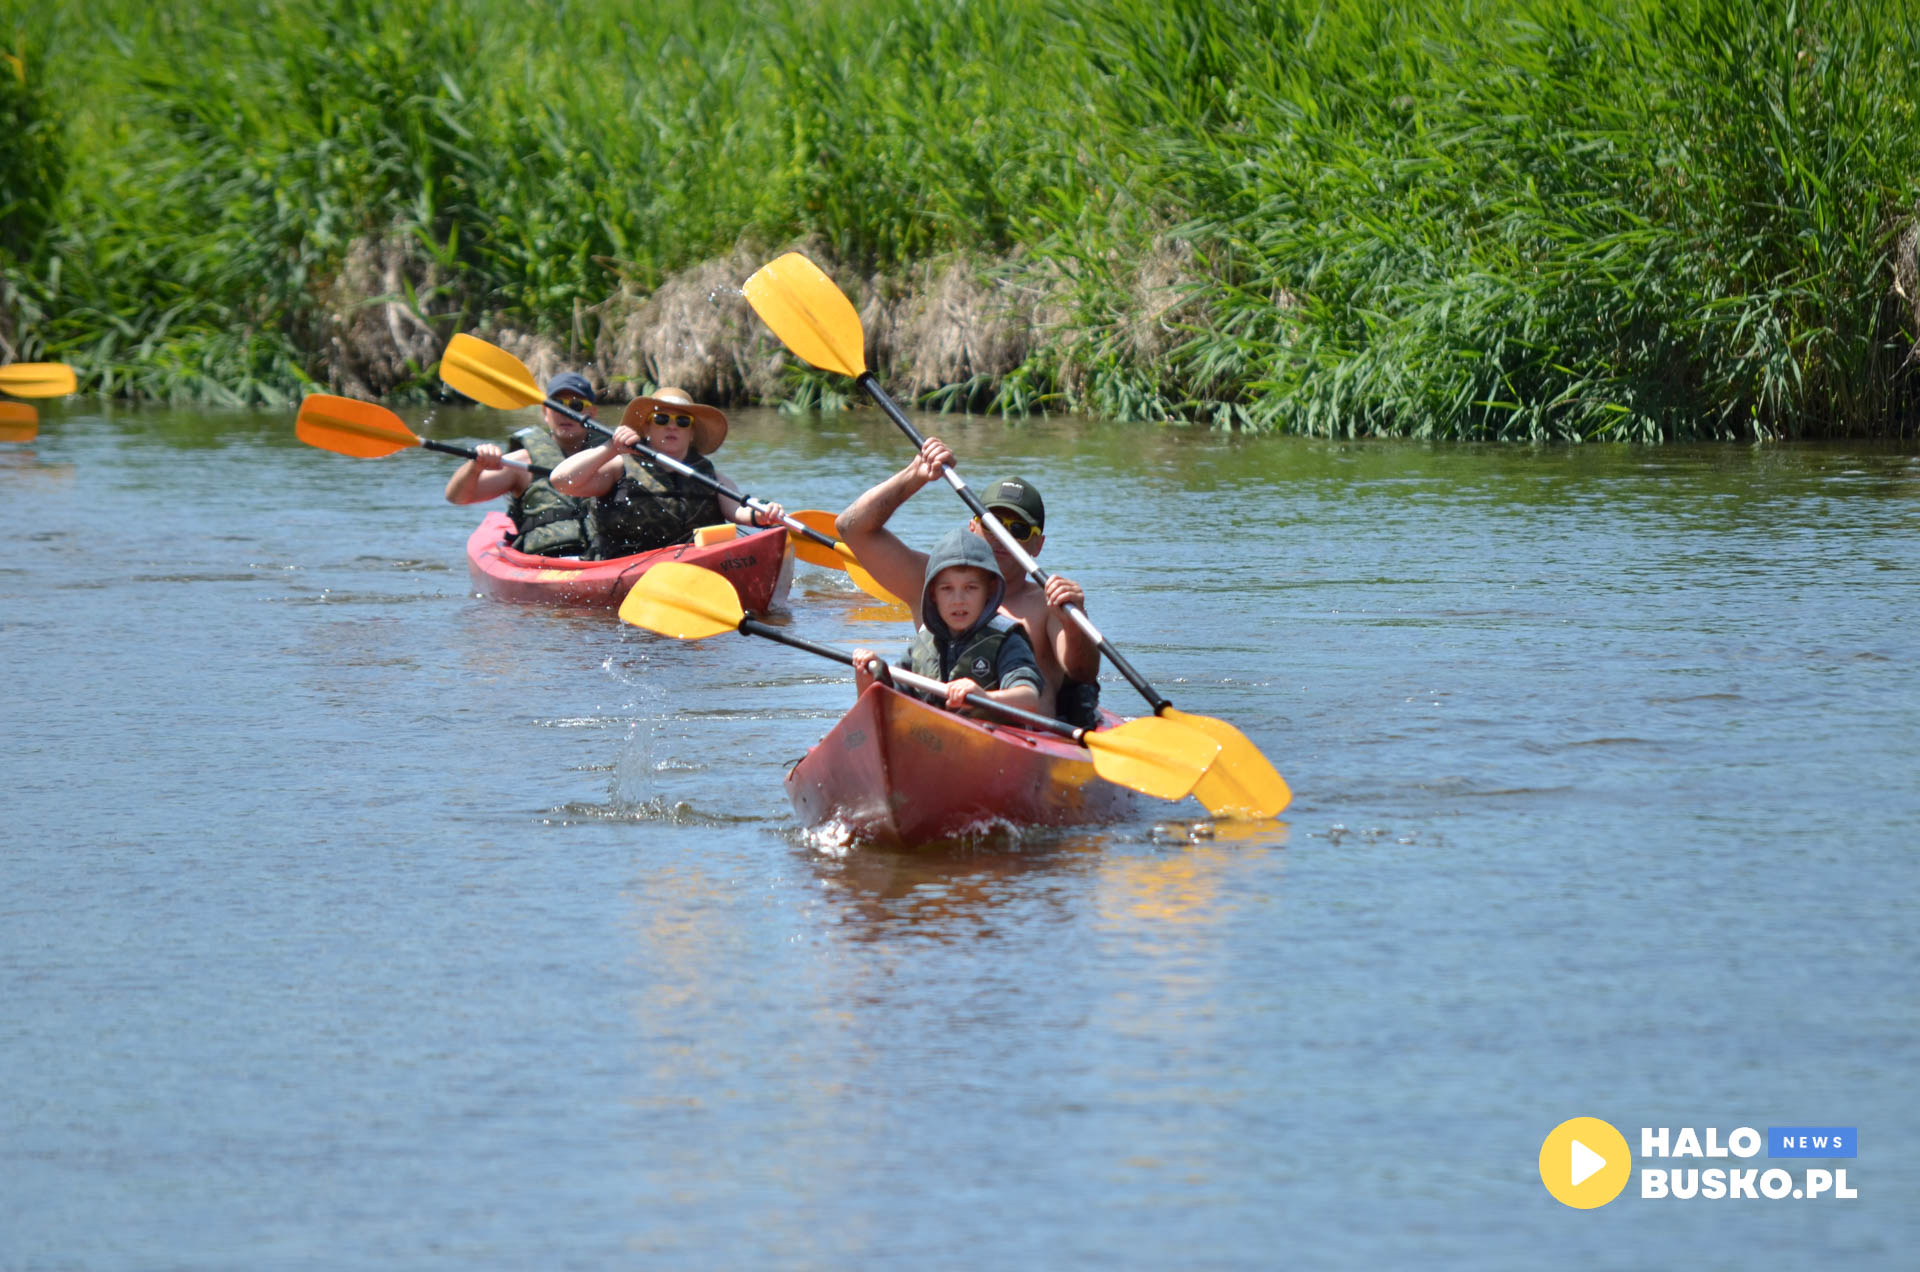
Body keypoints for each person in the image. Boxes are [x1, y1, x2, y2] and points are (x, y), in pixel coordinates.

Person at [836, 437, 1103, 726]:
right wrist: (916, 474)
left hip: (1020, 739)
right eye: (992, 524)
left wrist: (1074, 622)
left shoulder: (1047, 604)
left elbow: (1082, 672)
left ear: (1037, 545)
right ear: (973, 526)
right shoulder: (931, 581)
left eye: (1018, 529)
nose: (1002, 536)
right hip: (935, 732)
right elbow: (851, 528)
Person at [548, 386, 784, 559]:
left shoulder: (713, 478)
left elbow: (739, 511)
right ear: (647, 428)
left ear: (691, 432)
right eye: (661, 419)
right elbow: (561, 481)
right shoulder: (620, 467)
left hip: (692, 564)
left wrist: (763, 515)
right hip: (624, 564)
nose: (672, 426)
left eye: (682, 421)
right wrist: (611, 448)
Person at [850, 527, 1042, 717]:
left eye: (971, 588)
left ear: (989, 591)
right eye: (947, 589)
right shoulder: (922, 643)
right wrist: (869, 678)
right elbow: (885, 709)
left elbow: (1029, 698)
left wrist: (985, 698)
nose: (958, 600)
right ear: (933, 593)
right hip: (930, 733)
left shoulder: (1008, 641)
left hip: (986, 733)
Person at [444, 370, 597, 557]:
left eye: (576, 405)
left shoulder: (612, 458)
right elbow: (457, 497)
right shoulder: (521, 463)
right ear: (545, 412)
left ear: (592, 413)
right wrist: (474, 467)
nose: (566, 413)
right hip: (545, 559)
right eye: (557, 405)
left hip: (603, 558)